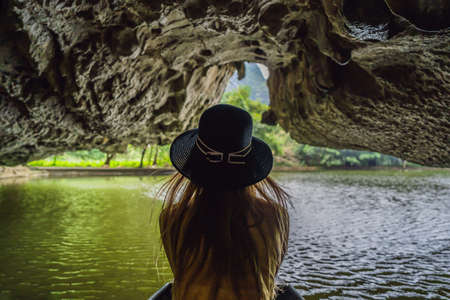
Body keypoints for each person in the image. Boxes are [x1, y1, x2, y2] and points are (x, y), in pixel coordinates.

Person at [159, 104, 290, 300]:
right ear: (249, 166)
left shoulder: (173, 216)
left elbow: (180, 273)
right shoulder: (275, 215)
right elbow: (270, 275)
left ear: (196, 164)